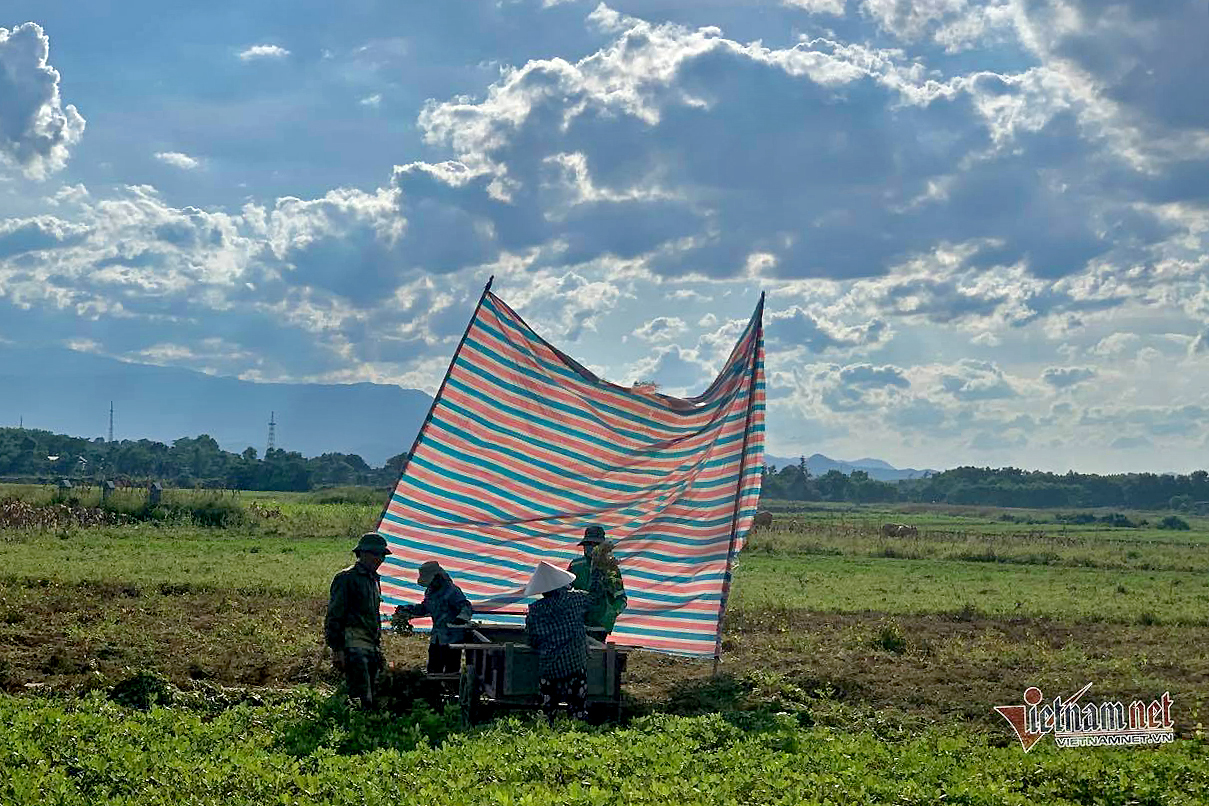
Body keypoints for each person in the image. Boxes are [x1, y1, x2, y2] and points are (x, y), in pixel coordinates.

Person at [325, 532, 391, 709]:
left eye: (382, 555)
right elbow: (334, 616)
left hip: (371, 644)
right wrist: (337, 650)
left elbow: (374, 616)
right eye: (374, 554)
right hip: (353, 644)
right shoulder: (346, 578)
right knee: (361, 698)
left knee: (374, 696)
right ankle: (352, 732)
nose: (379, 559)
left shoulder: (374, 580)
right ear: (361, 554)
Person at [525, 560, 595, 722]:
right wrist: (597, 573)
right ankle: (576, 724)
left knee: (546, 712)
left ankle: (546, 724)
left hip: (549, 669)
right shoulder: (575, 600)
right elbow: (594, 598)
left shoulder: (535, 610)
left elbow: (533, 640)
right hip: (574, 666)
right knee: (577, 708)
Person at [396, 560, 473, 676]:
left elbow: (466, 606)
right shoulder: (430, 592)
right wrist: (408, 609)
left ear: (438, 577)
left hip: (452, 638)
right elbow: (425, 607)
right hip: (437, 636)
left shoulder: (452, 591)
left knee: (451, 670)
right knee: (433, 667)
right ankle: (434, 690)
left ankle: (450, 691)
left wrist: (461, 618)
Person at [568, 525, 628, 635]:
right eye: (588, 544)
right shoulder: (576, 565)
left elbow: (621, 599)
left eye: (595, 544)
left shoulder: (610, 567)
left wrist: (609, 615)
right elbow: (564, 592)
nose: (591, 547)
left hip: (599, 627)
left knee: (597, 651)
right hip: (576, 624)